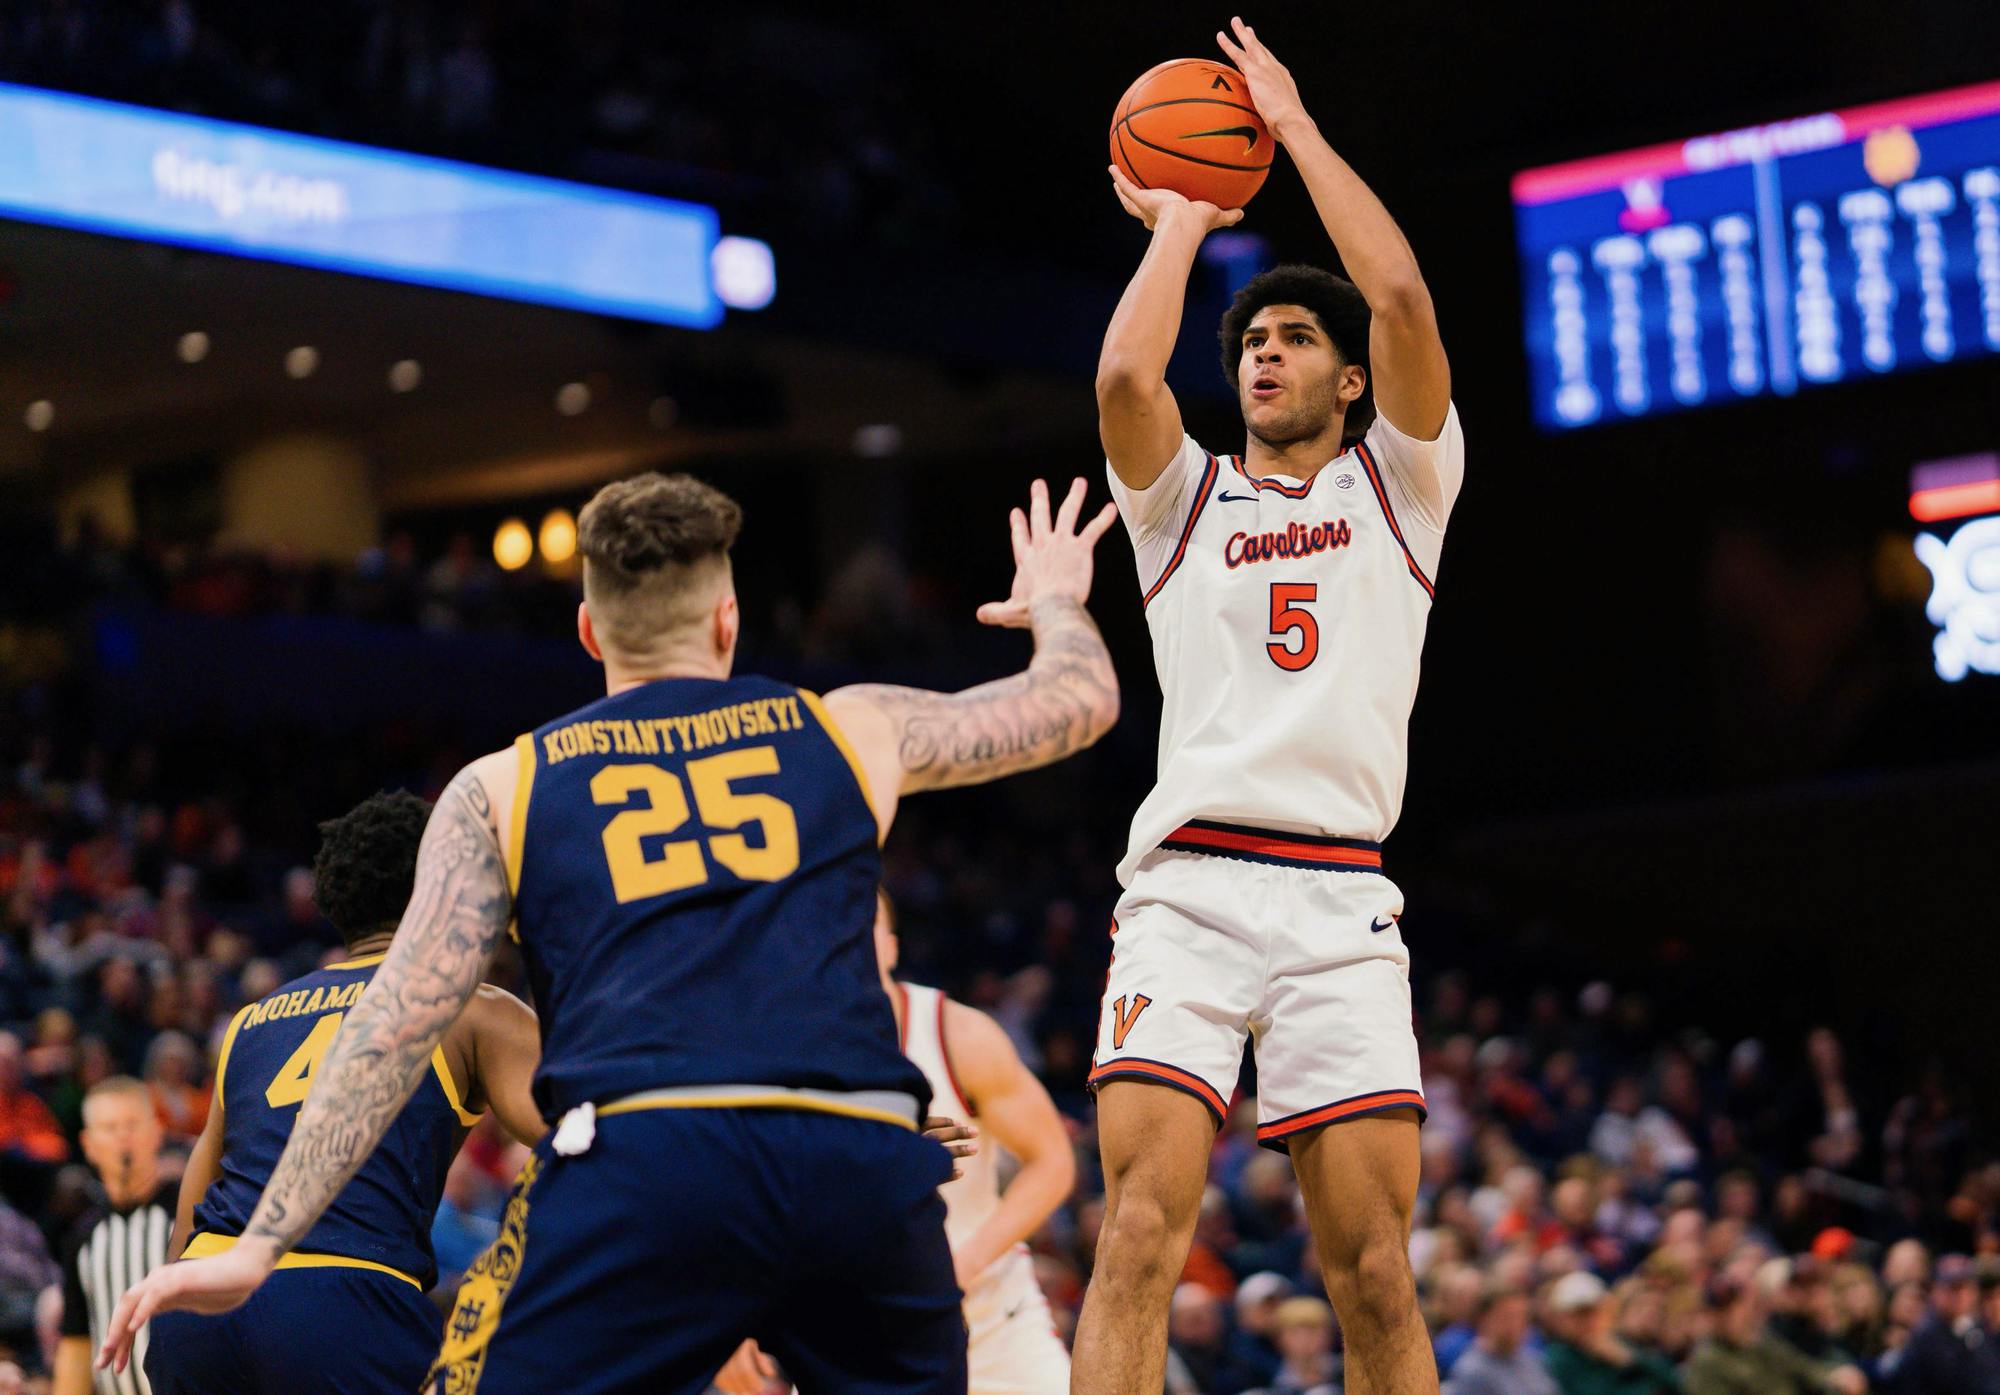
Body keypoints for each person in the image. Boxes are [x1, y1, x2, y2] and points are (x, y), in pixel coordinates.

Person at [99, 470, 1122, 1395]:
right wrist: (1059, 598)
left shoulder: (504, 786)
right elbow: (1078, 700)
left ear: (587, 630)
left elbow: (391, 1029)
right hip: (852, 1152)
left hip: (648, 1157)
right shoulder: (847, 728)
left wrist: (254, 1246)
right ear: (728, 621)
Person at [1079, 15, 1463, 1395]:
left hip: (1341, 902)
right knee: (1135, 1234)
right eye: (1252, 340)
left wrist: (1291, 134)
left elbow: (1407, 301)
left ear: (1348, 381)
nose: (1265, 354)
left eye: (1298, 339)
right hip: (1188, 886)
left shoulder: (1399, 488)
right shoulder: (1182, 504)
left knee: (1372, 1272)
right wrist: (1182, 218)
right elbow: (1129, 379)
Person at [138, 792, 547, 1395]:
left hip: (201, 1298)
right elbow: (593, 1135)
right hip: (343, 1299)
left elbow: (191, 1212)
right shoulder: (467, 1005)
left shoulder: (252, 1021)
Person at [716, 889, 1079, 1395]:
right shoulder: (770, 1056)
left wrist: (960, 1268)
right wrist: (737, 1311)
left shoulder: (956, 1034)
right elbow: (739, 1196)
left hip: (992, 1320)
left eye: (859, 929)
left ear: (890, 945)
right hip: (848, 1335)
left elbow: (1053, 1161)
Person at [53, 1078, 176, 1395]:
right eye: (110, 1128)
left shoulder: (190, 1215)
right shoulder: (83, 1237)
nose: (123, 1137)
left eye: (132, 1124)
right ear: (88, 1145)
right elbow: (76, 1343)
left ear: (156, 1132)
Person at [1681, 1276, 1865, 1395]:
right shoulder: (1707, 1360)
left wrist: (1834, 1377)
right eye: (1722, 1311)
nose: (1731, 1316)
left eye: (1735, 1307)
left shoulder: (1760, 1340)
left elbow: (1801, 1367)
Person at [1539, 1271, 1681, 1395]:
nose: (1587, 1320)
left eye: (1593, 1311)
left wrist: (1631, 1360)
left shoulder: (1617, 1344)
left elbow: (1673, 1382)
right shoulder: (1557, 1358)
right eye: (1579, 1314)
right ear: (1561, 1317)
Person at [1896, 1254, 1992, 1395]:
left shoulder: (1982, 1327)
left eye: (1966, 1287)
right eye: (1953, 1288)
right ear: (1936, 1290)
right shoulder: (1926, 1334)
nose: (1961, 1295)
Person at [1442, 1286, 1558, 1395]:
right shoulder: (1472, 1372)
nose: (1516, 1324)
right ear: (1484, 1319)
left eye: (1521, 1316)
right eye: (1507, 1317)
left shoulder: (1534, 1360)